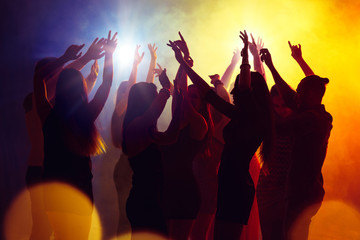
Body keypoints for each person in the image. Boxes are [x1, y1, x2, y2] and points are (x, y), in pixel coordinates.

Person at [168, 30, 273, 240]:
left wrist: (245, 56)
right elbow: (207, 92)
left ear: (251, 91)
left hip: (236, 186)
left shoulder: (255, 118)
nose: (233, 92)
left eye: (239, 88)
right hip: (227, 183)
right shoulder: (241, 114)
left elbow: (241, 88)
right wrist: (184, 63)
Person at [33, 31, 117, 240]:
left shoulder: (47, 115)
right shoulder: (86, 117)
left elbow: (38, 79)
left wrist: (65, 58)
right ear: (82, 90)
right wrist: (110, 55)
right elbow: (106, 85)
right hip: (79, 191)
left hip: (54, 192)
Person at [260, 46, 332, 240]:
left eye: (300, 92)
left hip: (303, 192)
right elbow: (288, 93)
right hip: (304, 191)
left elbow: (281, 126)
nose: (296, 96)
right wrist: (271, 66)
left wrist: (257, 110)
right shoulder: (314, 112)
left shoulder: (313, 119)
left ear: (310, 95)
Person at [24, 59, 99, 240]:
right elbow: (70, 92)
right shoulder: (33, 100)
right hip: (46, 173)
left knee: (56, 233)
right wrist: (81, 58)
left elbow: (72, 96)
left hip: (52, 175)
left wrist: (91, 77)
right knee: (42, 231)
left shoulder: (54, 111)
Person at [160, 32, 211, 240]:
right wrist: (184, 61)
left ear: (202, 101)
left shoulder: (200, 123)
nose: (191, 98)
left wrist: (185, 60)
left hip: (186, 191)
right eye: (190, 95)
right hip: (168, 188)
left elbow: (180, 94)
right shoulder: (177, 120)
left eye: (195, 96)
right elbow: (180, 94)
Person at [122, 69, 183, 238]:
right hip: (144, 202)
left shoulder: (149, 131)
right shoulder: (135, 127)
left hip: (153, 201)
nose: (157, 99)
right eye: (154, 96)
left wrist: (178, 94)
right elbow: (153, 113)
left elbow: (173, 135)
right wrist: (166, 88)